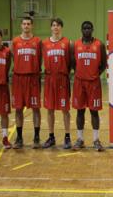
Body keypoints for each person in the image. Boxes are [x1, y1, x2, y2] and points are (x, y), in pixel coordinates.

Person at [71, 21, 107, 151]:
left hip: (94, 83)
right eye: (84, 28)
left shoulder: (99, 45)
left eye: (89, 28)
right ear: (81, 30)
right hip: (79, 82)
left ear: (92, 29)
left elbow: (103, 64)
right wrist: (80, 73)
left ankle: (96, 140)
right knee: (80, 111)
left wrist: (95, 74)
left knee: (94, 111)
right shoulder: (75, 44)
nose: (86, 30)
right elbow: (73, 63)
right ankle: (80, 139)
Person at [11, 17, 42, 149]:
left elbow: (40, 58)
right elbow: (13, 57)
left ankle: (36, 136)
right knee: (18, 108)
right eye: (24, 24)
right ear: (21, 26)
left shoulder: (38, 41)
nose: (26, 26)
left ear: (32, 26)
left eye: (28, 24)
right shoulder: (15, 41)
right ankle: (19, 137)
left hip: (33, 78)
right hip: (18, 79)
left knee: (36, 108)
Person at [42, 18, 72, 149]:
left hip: (62, 79)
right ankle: (51, 136)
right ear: (51, 28)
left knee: (65, 109)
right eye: (54, 25)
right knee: (50, 109)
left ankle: (67, 137)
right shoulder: (44, 43)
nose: (56, 27)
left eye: (58, 25)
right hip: (49, 79)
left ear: (61, 28)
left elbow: (71, 61)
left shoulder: (67, 43)